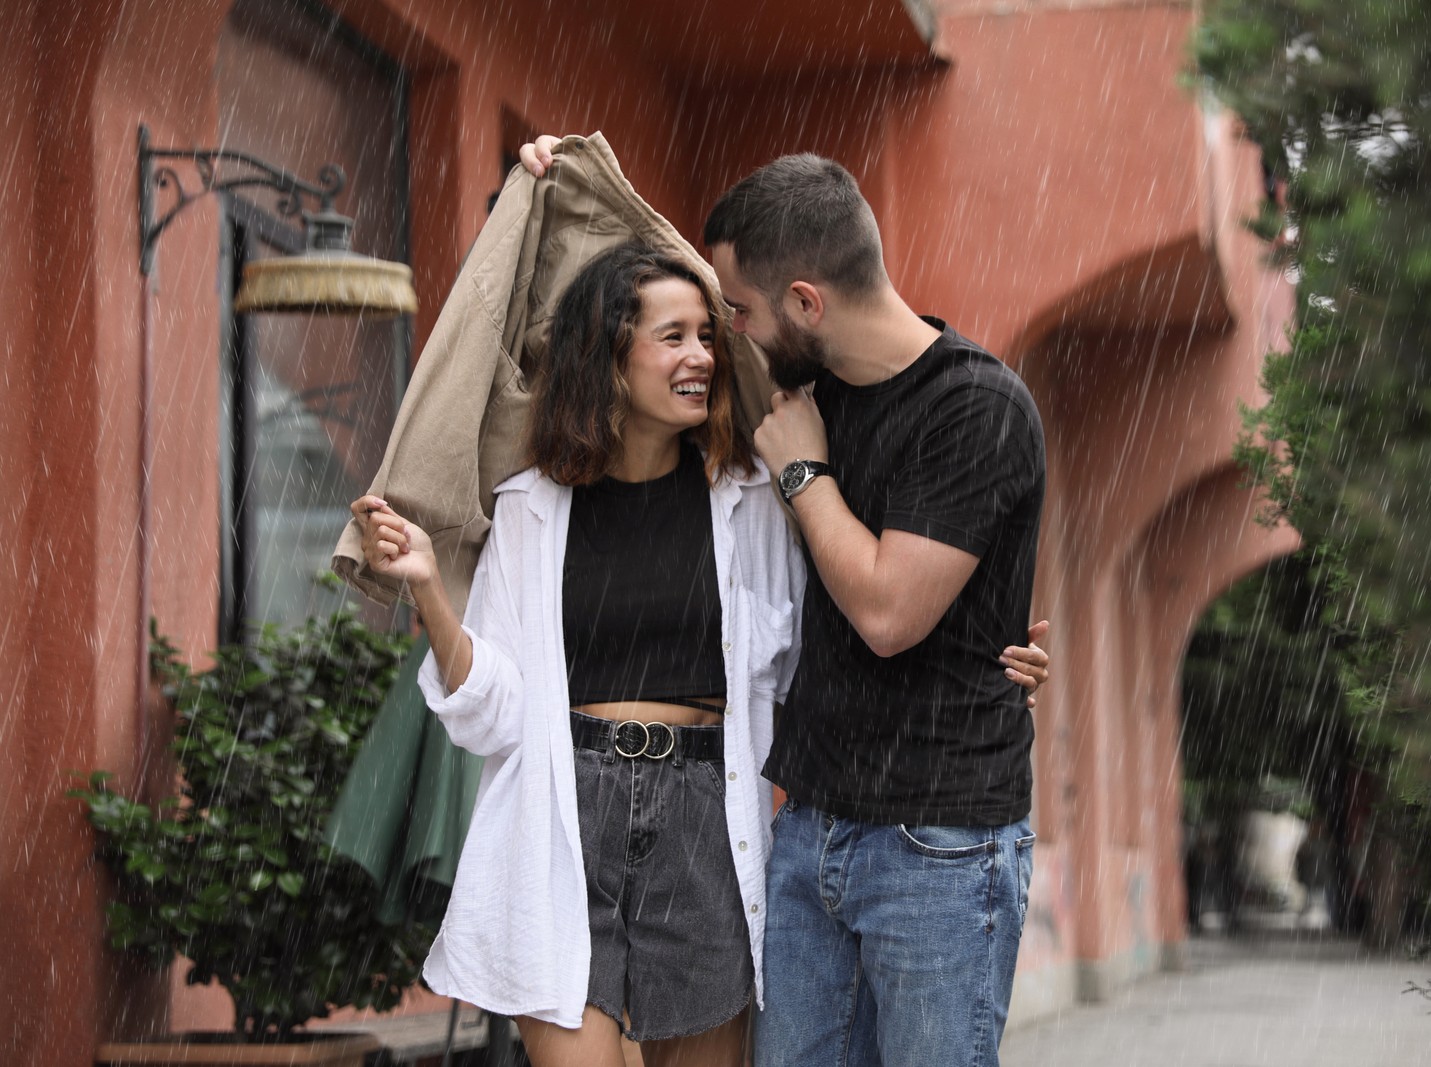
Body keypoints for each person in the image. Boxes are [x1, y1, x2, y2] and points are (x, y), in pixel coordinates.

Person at [352, 240, 1047, 1067]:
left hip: (706, 821)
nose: (702, 356)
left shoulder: (748, 499)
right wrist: (430, 591)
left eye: (708, 336)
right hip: (567, 818)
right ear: (610, 355)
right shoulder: (531, 508)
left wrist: (981, 671)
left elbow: (826, 639)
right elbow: (494, 715)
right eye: (672, 336)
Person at [524, 141, 1048, 1067]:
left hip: (941, 844)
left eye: (741, 311)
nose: (729, 333)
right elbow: (609, 331)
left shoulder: (975, 406)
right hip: (807, 836)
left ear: (805, 303)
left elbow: (888, 614)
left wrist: (805, 472)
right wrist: (549, 195)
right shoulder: (801, 396)